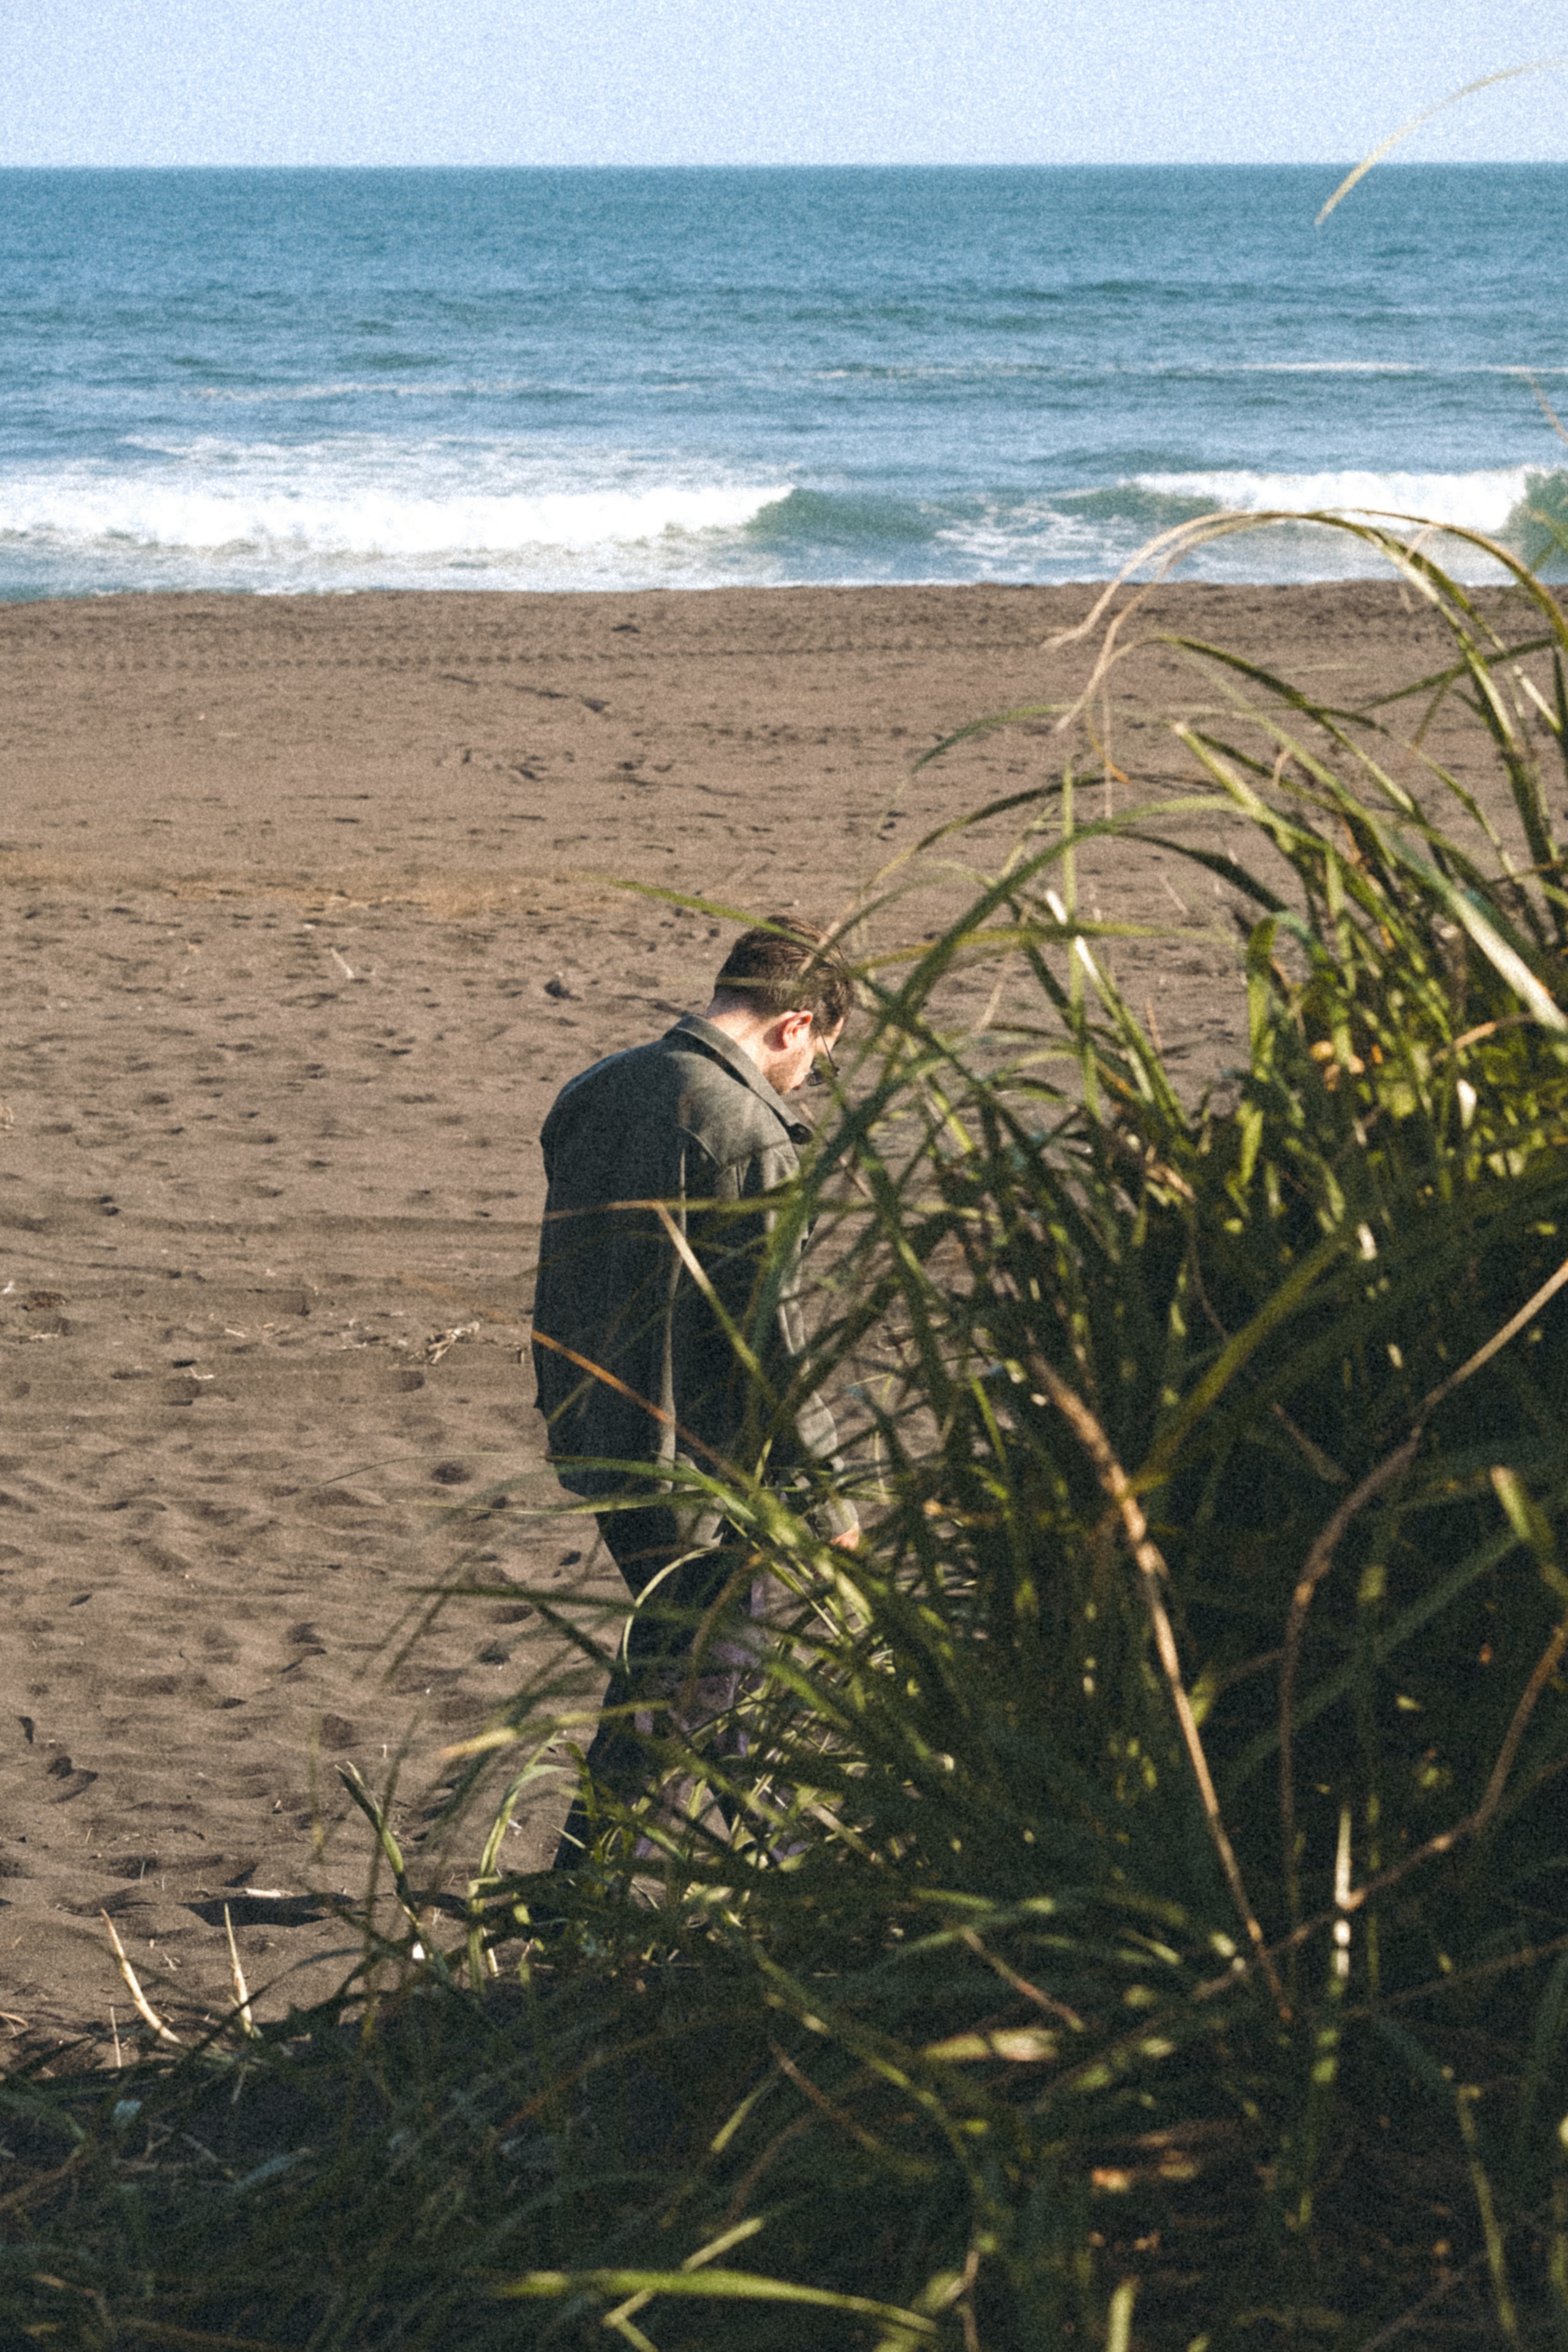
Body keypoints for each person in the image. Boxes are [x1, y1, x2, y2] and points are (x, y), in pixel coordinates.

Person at [531, 916, 860, 1871]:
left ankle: (785, 1863)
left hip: (596, 1432)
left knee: (714, 1668)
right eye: (819, 1061)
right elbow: (773, 1336)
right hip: (701, 1459)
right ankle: (578, 1906)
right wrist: (830, 1496)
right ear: (796, 1025)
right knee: (691, 1681)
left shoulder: (593, 1090)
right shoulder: (745, 1129)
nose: (805, 1081)